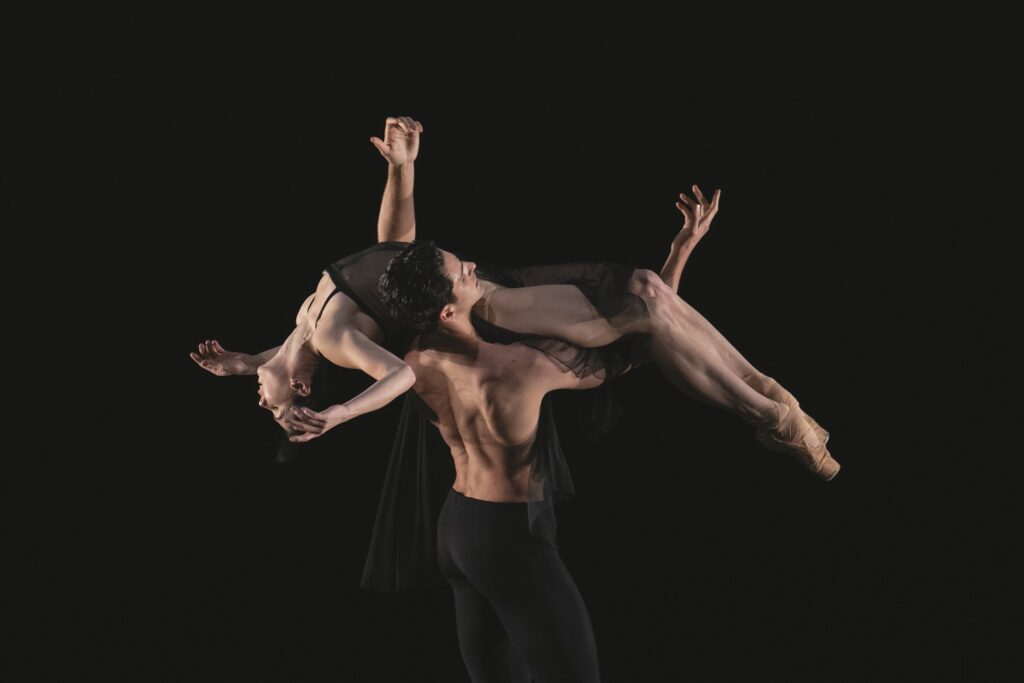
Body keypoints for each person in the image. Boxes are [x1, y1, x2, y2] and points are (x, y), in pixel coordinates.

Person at [190, 115, 835, 481]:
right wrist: (338, 416)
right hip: (492, 300)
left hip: (472, 274)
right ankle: (773, 412)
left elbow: (392, 253)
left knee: (646, 298)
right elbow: (399, 373)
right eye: (275, 411)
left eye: (267, 408)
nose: (264, 403)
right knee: (643, 296)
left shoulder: (304, 326)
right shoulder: (333, 341)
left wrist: (401, 168)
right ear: (303, 391)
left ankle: (778, 408)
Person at [381, 242, 632, 682]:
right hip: (507, 541)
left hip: (456, 530)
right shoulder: (521, 367)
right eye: (462, 275)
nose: (474, 268)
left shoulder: (414, 359)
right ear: (445, 311)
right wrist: (676, 260)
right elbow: (635, 340)